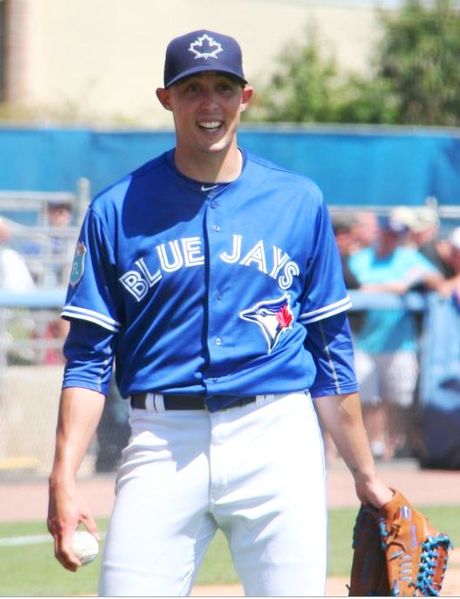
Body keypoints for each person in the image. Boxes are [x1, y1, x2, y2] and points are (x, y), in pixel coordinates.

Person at [47, 29, 392, 597]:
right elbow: (86, 360)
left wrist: (366, 475)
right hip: (163, 438)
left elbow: (330, 350)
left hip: (277, 434)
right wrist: (63, 476)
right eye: (193, 89)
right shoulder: (115, 209)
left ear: (245, 97)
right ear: (167, 99)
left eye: (224, 88)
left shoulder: (297, 201)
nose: (210, 103)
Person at [349, 211, 444, 461]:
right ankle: (374, 445)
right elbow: (355, 287)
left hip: (400, 341)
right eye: (388, 233)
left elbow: (436, 279)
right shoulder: (360, 259)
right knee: (367, 398)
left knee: (399, 397)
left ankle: (396, 444)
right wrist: (392, 287)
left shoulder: (408, 258)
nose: (391, 238)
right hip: (364, 339)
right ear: (380, 232)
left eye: (396, 234)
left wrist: (412, 280)